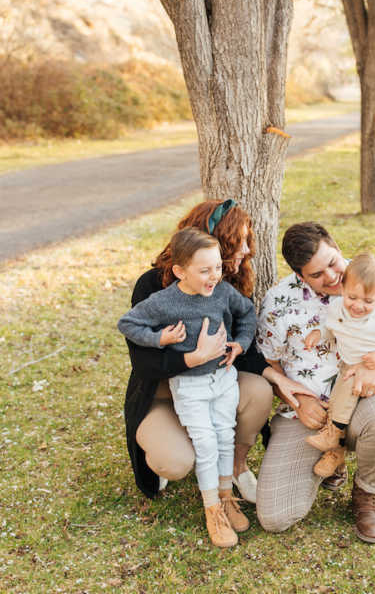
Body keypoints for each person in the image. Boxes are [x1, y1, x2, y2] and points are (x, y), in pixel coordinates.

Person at [255, 222, 375, 544]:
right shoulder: (278, 302)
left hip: (362, 395)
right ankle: (331, 458)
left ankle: (366, 494)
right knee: (275, 517)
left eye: (332, 263)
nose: (331, 277)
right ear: (300, 277)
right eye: (316, 274)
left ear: (337, 247)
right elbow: (268, 364)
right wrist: (298, 401)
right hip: (306, 412)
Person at [121, 199, 308, 513]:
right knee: (177, 462)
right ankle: (174, 447)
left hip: (214, 384)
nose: (246, 251)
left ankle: (234, 466)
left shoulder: (227, 286)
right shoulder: (153, 287)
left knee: (259, 391)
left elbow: (243, 344)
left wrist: (277, 378)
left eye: (248, 242)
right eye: (238, 243)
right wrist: (190, 358)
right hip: (164, 393)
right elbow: (143, 363)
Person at [119, 228, 255, 547]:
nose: (214, 276)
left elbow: (247, 312)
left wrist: (242, 344)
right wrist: (160, 338)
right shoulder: (165, 302)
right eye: (204, 270)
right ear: (180, 271)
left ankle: (225, 495)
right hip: (190, 385)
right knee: (205, 444)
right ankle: (212, 510)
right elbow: (128, 323)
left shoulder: (222, 291)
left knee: (224, 436)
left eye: (218, 268)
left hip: (223, 380)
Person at [301, 253, 375, 479]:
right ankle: (337, 452)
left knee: (348, 388)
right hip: (350, 365)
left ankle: (333, 438)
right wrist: (318, 333)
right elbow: (331, 327)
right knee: (338, 395)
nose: (358, 306)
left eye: (368, 301)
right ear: (342, 289)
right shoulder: (337, 308)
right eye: (352, 297)